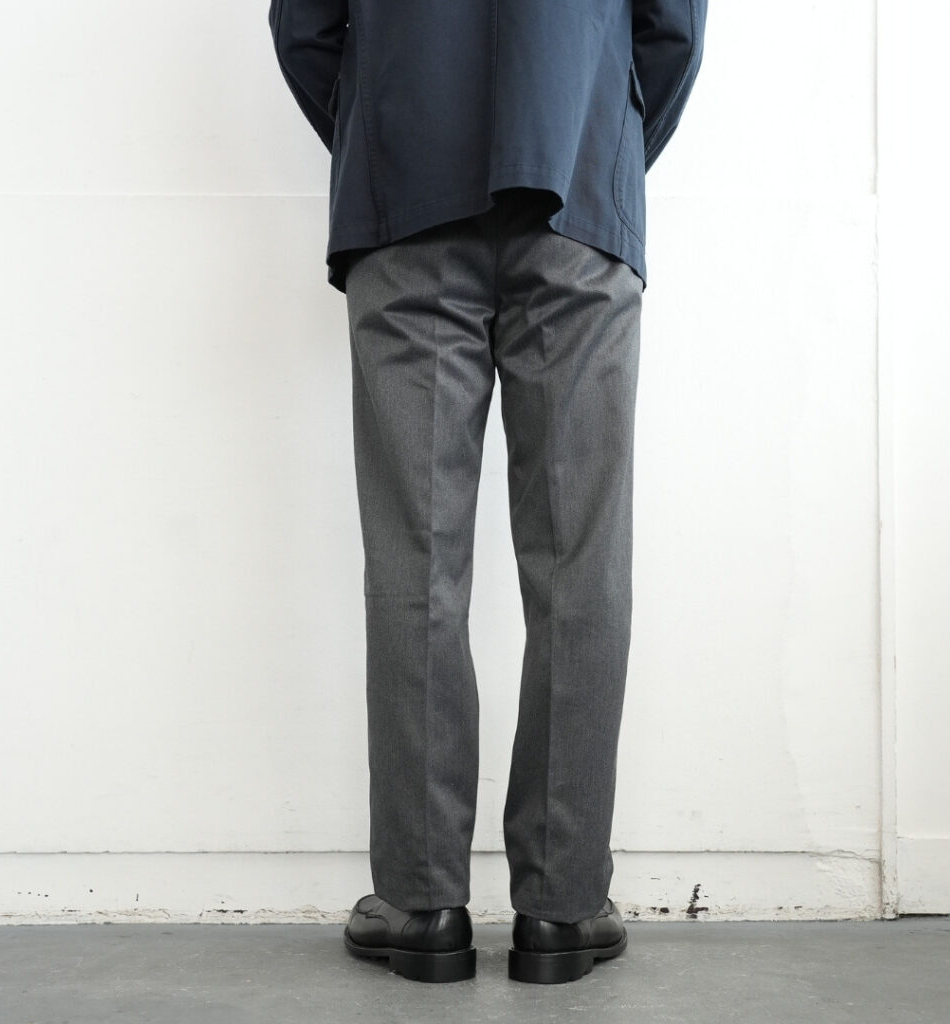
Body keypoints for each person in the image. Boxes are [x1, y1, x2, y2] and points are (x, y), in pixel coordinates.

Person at [268, 0, 707, 985]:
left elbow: (305, 29)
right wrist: (596, 139)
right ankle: (563, 906)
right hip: (576, 195)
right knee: (581, 567)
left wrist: (389, 134)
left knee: (413, 566)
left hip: (407, 205)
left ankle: (421, 902)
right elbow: (672, 29)